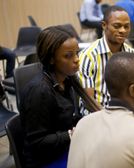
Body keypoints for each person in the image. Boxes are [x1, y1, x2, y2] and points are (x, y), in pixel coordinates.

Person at [20, 25, 100, 168]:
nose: (76, 59)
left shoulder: (67, 79)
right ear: (51, 59)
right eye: (68, 56)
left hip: (62, 148)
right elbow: (37, 142)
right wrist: (72, 134)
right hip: (45, 160)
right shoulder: (39, 91)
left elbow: (64, 118)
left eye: (77, 53)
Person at [78, 6, 134, 135]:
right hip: (96, 114)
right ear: (104, 25)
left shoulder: (133, 55)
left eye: (126, 26)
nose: (122, 31)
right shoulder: (88, 57)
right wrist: (117, 121)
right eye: (117, 26)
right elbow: (88, 101)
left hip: (126, 114)